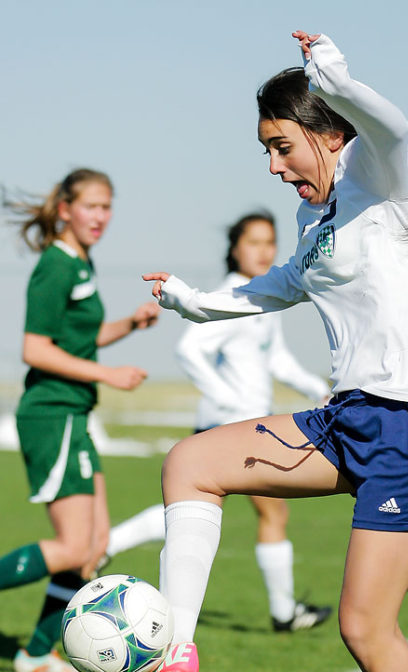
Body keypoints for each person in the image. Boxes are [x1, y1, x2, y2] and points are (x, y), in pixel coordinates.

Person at [85, 32, 408, 672]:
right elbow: (277, 289)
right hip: (349, 421)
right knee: (190, 463)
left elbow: (396, 125)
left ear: (327, 133)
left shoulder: (381, 181)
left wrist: (335, 77)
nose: (273, 166)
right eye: (266, 150)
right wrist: (196, 304)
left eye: (280, 145)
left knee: (364, 626)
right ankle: (175, 646)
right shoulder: (315, 217)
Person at [105, 211, 332, 631]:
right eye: (254, 242)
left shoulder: (258, 295)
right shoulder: (233, 294)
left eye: (270, 242)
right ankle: (284, 614)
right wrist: (226, 400)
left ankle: (106, 545)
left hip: (246, 424)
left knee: (203, 510)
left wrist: (314, 387)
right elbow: (189, 350)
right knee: (259, 512)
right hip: (233, 425)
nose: (264, 251)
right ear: (234, 248)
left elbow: (276, 358)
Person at [1, 168, 159, 672]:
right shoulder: (56, 265)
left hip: (74, 414)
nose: (101, 217)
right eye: (91, 206)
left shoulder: (82, 261)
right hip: (51, 414)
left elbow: (79, 340)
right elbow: (35, 348)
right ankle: (37, 653)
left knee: (92, 547)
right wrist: (107, 374)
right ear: (66, 208)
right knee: (72, 544)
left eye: (107, 206)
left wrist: (130, 325)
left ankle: (35, 655)